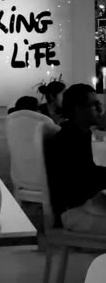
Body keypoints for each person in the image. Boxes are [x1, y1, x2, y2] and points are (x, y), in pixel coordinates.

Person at [45, 83, 106, 233]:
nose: (100, 109)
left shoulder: (80, 133)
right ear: (79, 109)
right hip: (73, 212)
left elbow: (88, 173)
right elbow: (81, 183)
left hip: (85, 205)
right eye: (94, 105)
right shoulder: (67, 139)